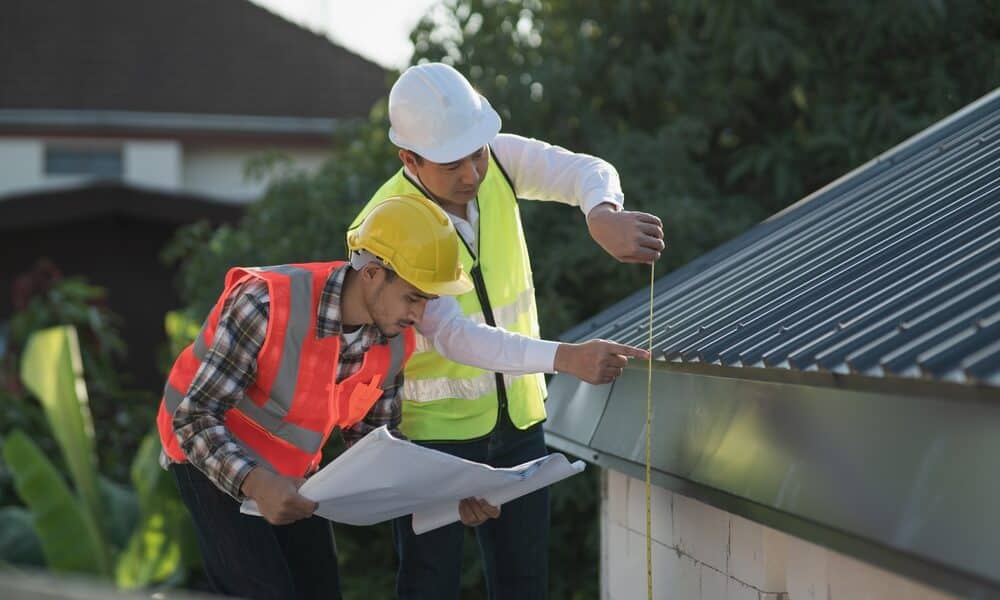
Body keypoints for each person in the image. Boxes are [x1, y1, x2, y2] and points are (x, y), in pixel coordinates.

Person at [349, 63, 665, 600]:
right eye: (453, 164)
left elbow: (585, 169)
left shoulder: (496, 160)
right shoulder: (386, 224)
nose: (473, 173)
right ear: (409, 159)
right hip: (434, 439)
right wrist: (568, 358)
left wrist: (602, 214)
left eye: (477, 153)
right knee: (430, 586)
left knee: (525, 584)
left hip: (519, 422)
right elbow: (456, 336)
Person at [157, 195, 482, 600]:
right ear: (373, 275)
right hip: (206, 451)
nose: (419, 315)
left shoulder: (395, 344)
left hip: (293, 471)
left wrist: (447, 495)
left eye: (427, 301)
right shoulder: (265, 305)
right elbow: (194, 417)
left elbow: (377, 449)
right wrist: (256, 483)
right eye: (413, 297)